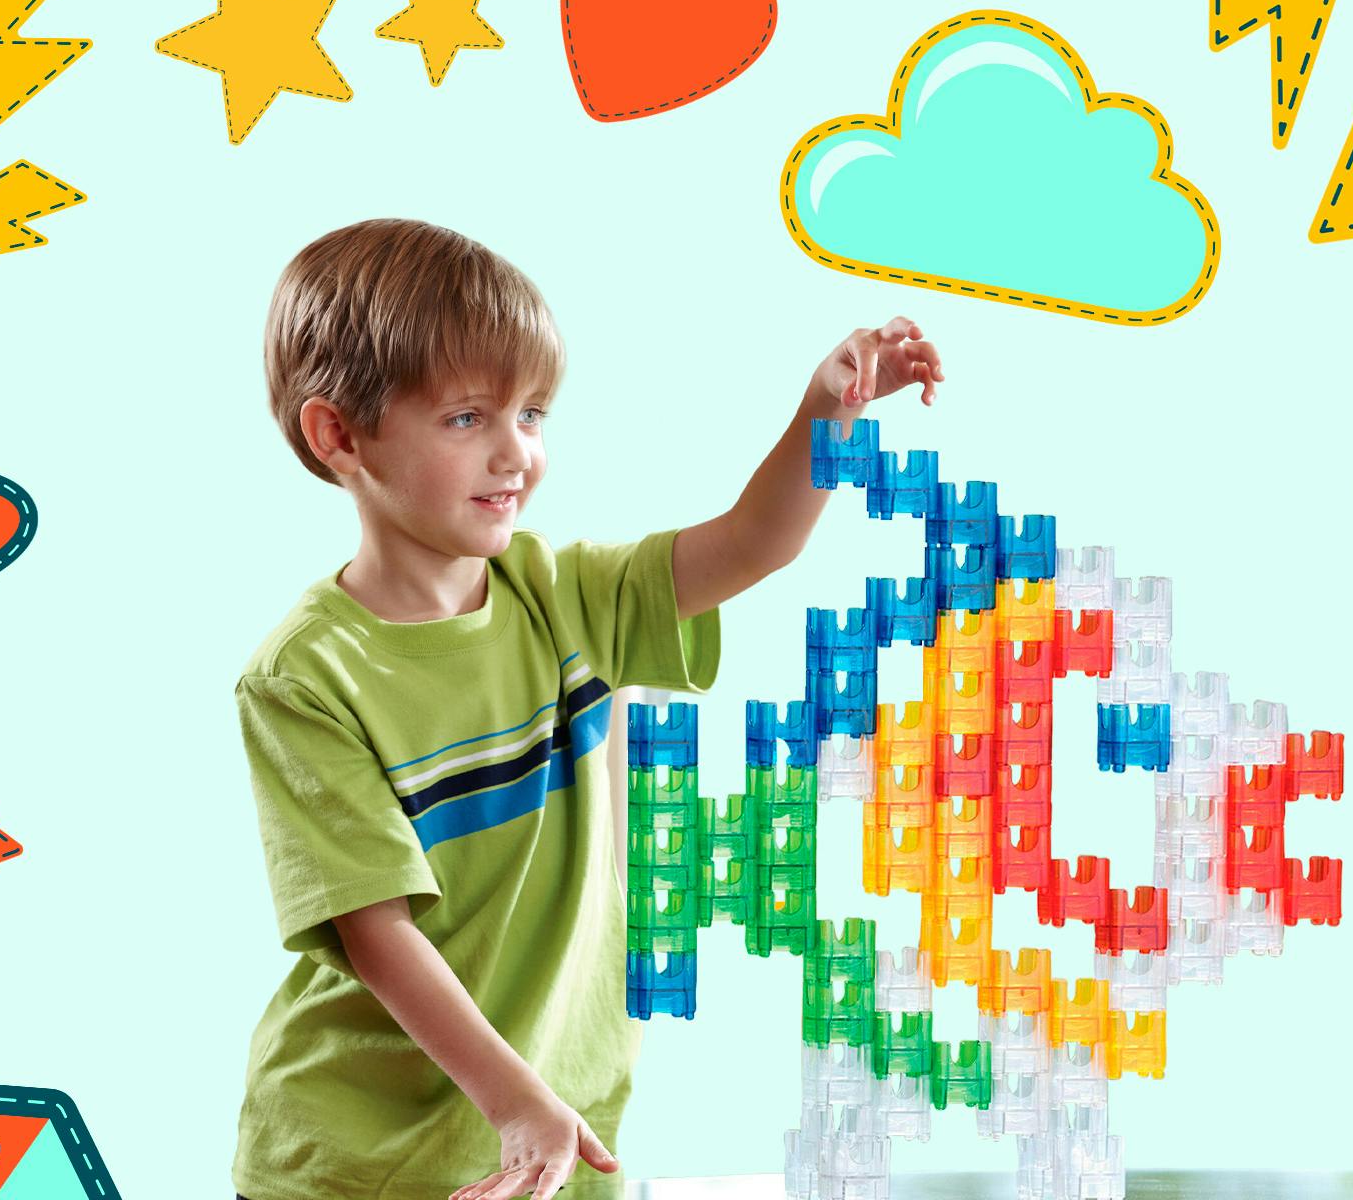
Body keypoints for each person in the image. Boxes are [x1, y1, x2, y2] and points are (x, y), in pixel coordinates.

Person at [231, 217, 945, 1200]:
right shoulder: (305, 676)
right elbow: (375, 930)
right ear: (339, 434)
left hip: (558, 1127)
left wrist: (828, 407)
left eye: (532, 413)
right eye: (467, 418)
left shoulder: (569, 596)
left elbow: (753, 541)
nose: (515, 452)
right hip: (360, 1157)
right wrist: (514, 1099)